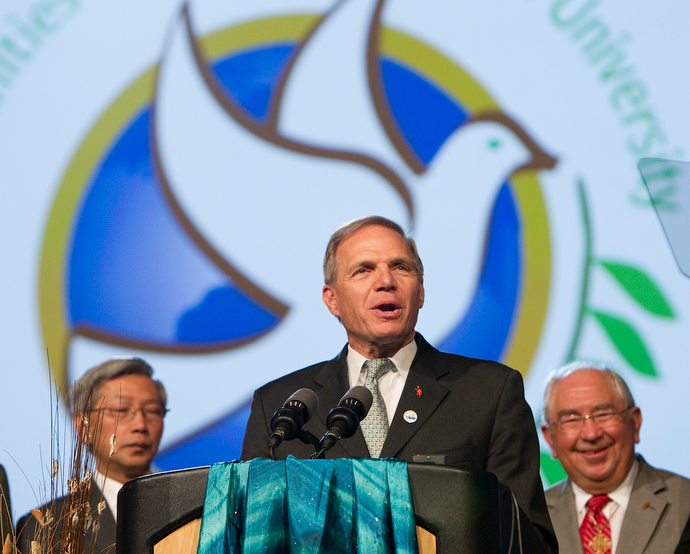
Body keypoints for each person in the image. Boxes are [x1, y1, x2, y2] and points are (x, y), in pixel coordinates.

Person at [241, 215, 557, 553]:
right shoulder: (278, 407)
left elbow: (528, 538)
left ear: (420, 292)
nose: (386, 281)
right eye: (363, 270)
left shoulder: (489, 392)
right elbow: (249, 533)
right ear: (331, 299)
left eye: (401, 268)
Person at [16, 357, 167, 554]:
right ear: (84, 426)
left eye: (153, 411)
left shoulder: (197, 509)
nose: (140, 425)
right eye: (121, 410)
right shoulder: (47, 525)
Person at [541, 362, 690, 554]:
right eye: (571, 419)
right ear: (550, 438)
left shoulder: (685, 502)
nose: (591, 434)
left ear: (635, 422)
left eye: (603, 414)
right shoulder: (529, 519)